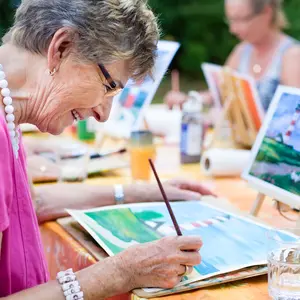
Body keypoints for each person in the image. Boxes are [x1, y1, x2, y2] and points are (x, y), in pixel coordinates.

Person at [0, 0, 205, 298]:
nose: (103, 114)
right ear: (62, 48)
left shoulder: (9, 110)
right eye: (109, 87)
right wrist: (121, 272)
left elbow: (29, 204)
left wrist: (136, 194)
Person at [165, 0, 300, 112]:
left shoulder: (292, 55)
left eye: (241, 19)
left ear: (267, 12)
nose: (233, 29)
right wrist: (189, 100)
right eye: (230, 20)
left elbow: (294, 116)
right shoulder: (242, 51)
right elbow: (219, 93)